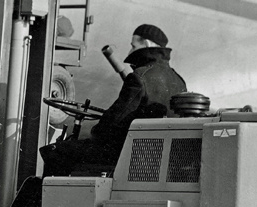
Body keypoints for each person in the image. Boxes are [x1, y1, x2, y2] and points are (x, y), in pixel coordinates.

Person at [40, 23, 187, 176]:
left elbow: (113, 122)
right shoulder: (179, 81)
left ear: (147, 44)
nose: (130, 50)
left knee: (56, 151)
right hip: (156, 156)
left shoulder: (139, 77)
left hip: (128, 153)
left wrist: (94, 132)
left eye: (133, 45)